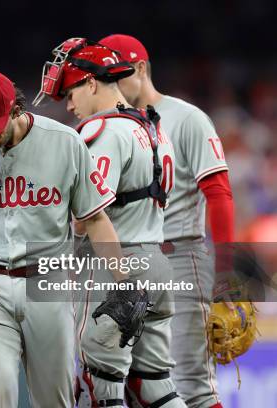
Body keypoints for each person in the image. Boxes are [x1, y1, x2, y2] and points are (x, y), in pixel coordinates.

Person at [0, 70, 126, 408]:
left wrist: (125, 281)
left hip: (47, 281)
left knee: (56, 400)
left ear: (14, 110)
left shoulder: (64, 141)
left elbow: (94, 217)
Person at [33, 38, 186, 408]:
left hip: (113, 269)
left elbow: (87, 219)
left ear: (90, 83)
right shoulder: (153, 127)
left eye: (70, 93)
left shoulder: (99, 132)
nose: (69, 105)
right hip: (156, 262)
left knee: (100, 387)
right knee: (156, 387)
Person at [100, 34, 234, 408]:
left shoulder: (187, 118)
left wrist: (226, 277)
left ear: (141, 68)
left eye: (119, 74)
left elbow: (220, 195)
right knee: (132, 386)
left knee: (192, 387)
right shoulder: (110, 124)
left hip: (179, 256)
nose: (111, 84)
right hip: (126, 263)